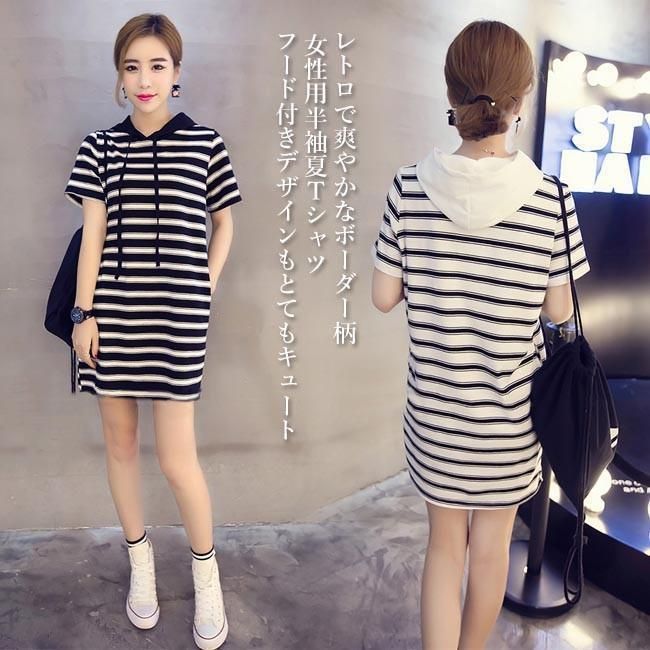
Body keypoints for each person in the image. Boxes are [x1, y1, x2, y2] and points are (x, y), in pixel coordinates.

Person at [371, 19, 590, 650]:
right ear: (521, 99)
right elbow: (558, 310)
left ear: (451, 92)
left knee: (445, 546)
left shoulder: (409, 187)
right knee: (491, 549)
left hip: (437, 413)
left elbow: (384, 297)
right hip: (510, 424)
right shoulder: (551, 200)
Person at [63, 13, 241, 650]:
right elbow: (93, 235)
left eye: (157, 66)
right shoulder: (99, 148)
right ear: (119, 75)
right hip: (111, 318)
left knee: (175, 459)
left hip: (177, 320)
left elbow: (225, 222)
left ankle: (206, 575)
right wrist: (83, 314)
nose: (144, 79)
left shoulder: (205, 144)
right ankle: (140, 564)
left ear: (176, 73)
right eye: (132, 66)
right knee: (119, 446)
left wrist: (205, 286)